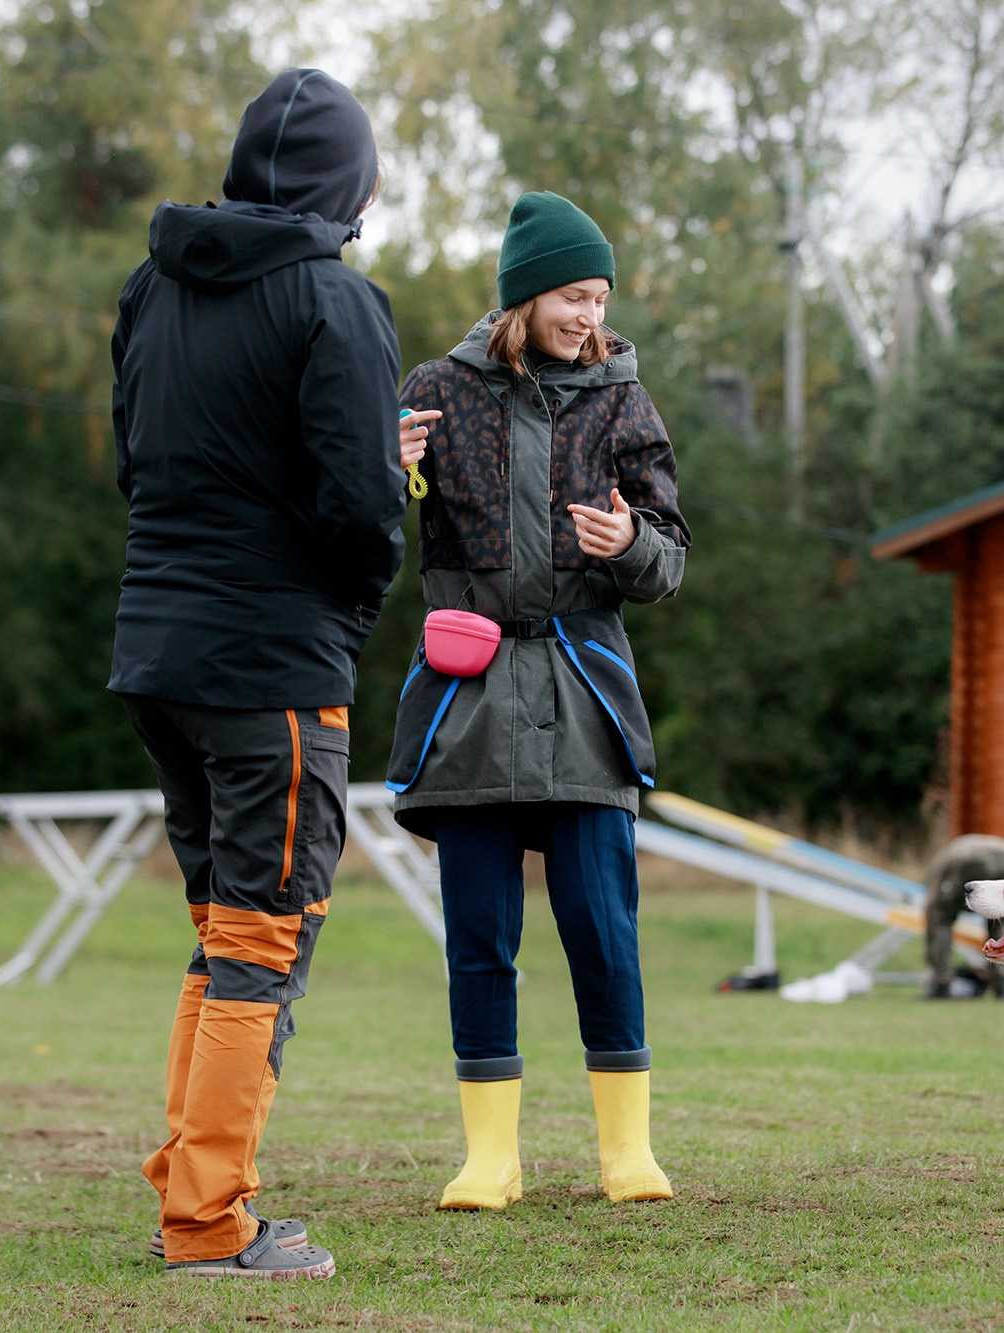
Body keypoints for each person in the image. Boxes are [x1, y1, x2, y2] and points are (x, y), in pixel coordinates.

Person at [108, 68, 405, 1280]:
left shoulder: (151, 285)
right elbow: (360, 504)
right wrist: (349, 615)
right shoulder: (335, 299)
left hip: (156, 653)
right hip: (270, 666)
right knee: (262, 942)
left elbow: (135, 461)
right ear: (349, 185)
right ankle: (207, 1222)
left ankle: (188, 1183)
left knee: (224, 932)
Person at [387, 191, 690, 1210]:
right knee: (479, 936)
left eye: (600, 298)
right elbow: (362, 536)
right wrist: (382, 474)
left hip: (584, 693)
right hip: (465, 696)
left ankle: (626, 1151)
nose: (590, 316)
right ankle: (491, 1159)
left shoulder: (624, 400)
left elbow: (670, 558)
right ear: (525, 296)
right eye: (573, 296)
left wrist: (631, 544)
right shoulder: (433, 389)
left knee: (603, 929)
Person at [923, 833, 1004, 999]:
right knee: (998, 926)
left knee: (939, 918)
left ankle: (941, 984)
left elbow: (937, 905)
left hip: (967, 859)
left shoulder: (941, 864)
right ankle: (1002, 987)